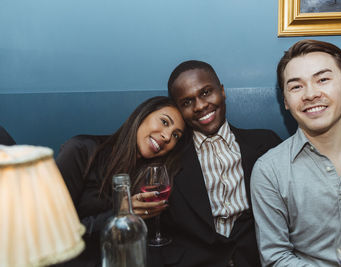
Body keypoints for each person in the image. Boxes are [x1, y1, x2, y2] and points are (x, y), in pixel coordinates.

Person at [251, 39, 341, 266]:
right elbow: (275, 257)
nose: (311, 94)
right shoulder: (269, 171)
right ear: (286, 101)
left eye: (322, 79)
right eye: (296, 86)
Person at [159, 60, 282, 267]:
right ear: (178, 109)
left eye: (206, 92)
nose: (200, 106)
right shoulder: (168, 160)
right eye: (187, 102)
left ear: (222, 91)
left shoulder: (265, 144)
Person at [55, 96, 186, 266]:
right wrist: (120, 214)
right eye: (164, 122)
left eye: (176, 135)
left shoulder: (152, 178)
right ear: (142, 114)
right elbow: (52, 232)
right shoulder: (81, 151)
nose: (168, 136)